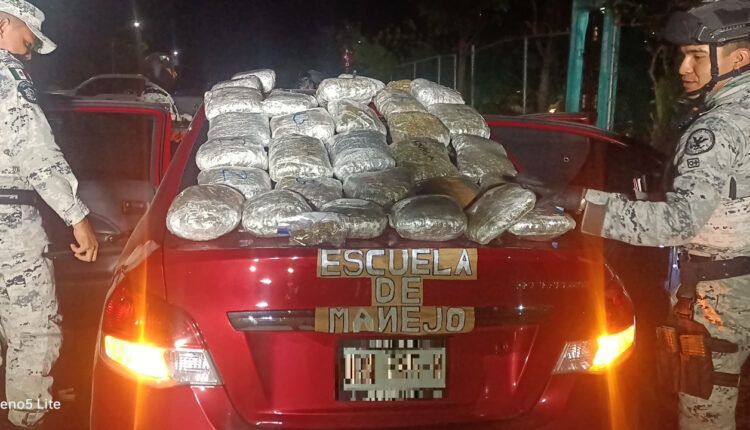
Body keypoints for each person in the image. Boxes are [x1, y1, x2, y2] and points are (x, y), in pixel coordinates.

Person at [531, 1, 750, 428]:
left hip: (717, 298)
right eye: (682, 55)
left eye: (697, 56)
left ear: (739, 59)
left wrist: (579, 201)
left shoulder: (717, 128)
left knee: (705, 415)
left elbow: (679, 222)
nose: (683, 68)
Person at [0, 0, 98, 427]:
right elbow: (34, 149)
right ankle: (27, 420)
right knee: (32, 331)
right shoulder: (6, 74)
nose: (29, 53)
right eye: (27, 41)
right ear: (1, 24)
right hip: (8, 223)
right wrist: (77, 217)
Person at [140, 52, 191, 123]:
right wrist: (184, 119)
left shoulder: (156, 94)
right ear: (160, 72)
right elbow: (164, 120)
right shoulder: (154, 97)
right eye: (172, 70)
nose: (175, 74)